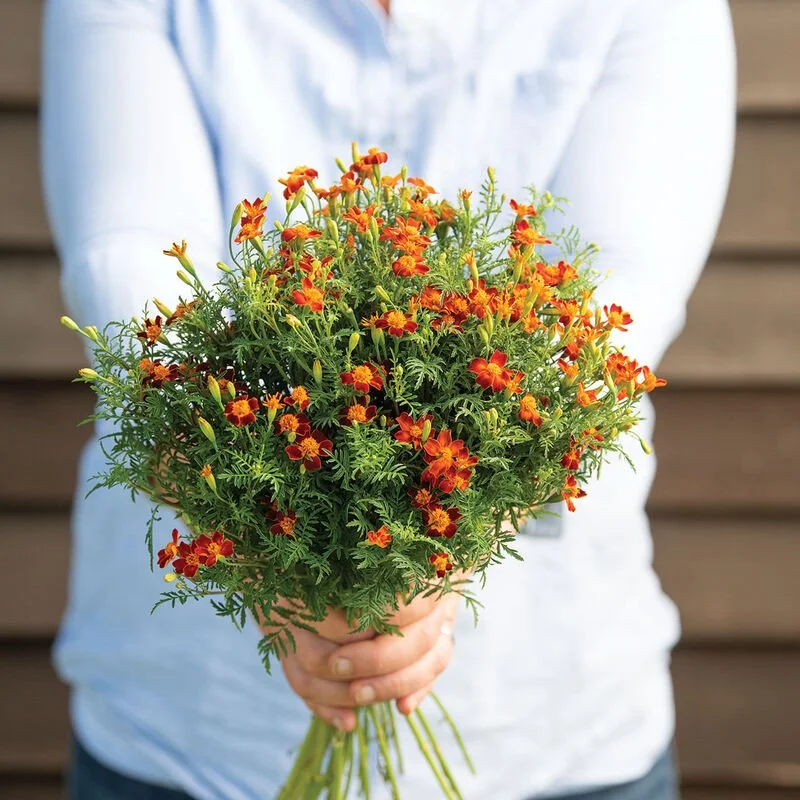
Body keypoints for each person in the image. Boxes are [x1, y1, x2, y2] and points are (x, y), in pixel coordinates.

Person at [41, 1, 735, 797]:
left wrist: (421, 567)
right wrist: (268, 553)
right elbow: (126, 266)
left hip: (550, 736)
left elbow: (614, 303)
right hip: (191, 740)